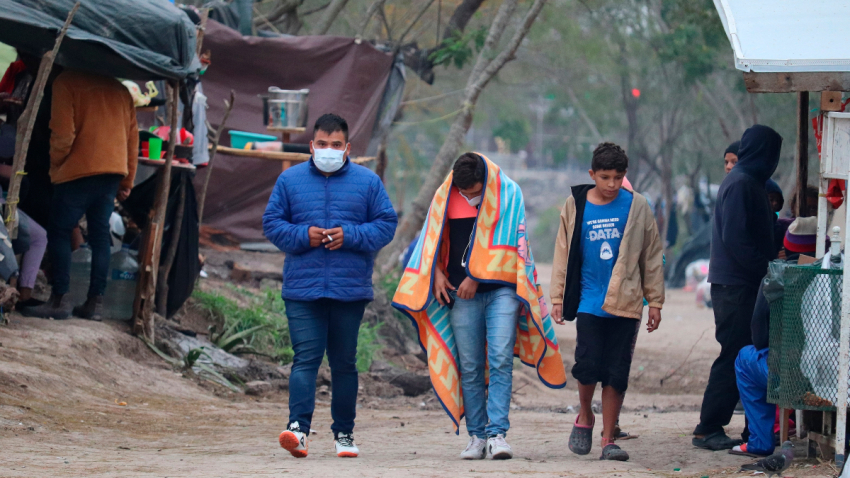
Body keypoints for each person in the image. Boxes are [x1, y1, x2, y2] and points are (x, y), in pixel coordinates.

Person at [391, 152, 565, 461]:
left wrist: (475, 276)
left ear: (485, 181)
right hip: (460, 294)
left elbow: (514, 245)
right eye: (464, 193)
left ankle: (497, 434)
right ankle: (477, 435)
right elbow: (430, 243)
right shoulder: (445, 196)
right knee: (469, 365)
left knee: (499, 358)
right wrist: (438, 275)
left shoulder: (510, 193)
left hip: (502, 290)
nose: (469, 197)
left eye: (474, 192)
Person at [265, 114, 397, 459]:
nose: (328, 150)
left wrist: (350, 235)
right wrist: (302, 235)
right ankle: (298, 430)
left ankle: (344, 434)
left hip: (349, 289)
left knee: (344, 363)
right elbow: (272, 224)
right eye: (322, 144)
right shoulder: (289, 181)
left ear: (347, 148)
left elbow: (386, 224)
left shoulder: (368, 182)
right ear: (311, 146)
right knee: (305, 359)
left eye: (335, 145)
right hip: (302, 289)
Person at [551, 142, 665, 461]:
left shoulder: (638, 205)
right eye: (605, 177)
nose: (612, 184)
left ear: (625, 176)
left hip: (626, 302)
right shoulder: (575, 206)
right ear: (592, 174)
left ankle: (607, 439)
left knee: (617, 372)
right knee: (587, 367)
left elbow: (652, 256)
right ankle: (585, 414)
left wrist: (655, 301)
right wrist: (557, 297)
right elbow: (562, 254)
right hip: (588, 301)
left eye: (618, 177)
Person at [693, 125, 782, 450]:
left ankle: (749, 431)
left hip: (742, 283)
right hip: (736, 286)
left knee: (744, 352)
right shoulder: (742, 183)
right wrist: (766, 266)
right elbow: (737, 238)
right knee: (735, 354)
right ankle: (708, 427)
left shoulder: (750, 182)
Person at [24, 70, 138, 321]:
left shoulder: (66, 82)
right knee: (100, 237)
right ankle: (95, 303)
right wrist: (127, 180)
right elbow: (132, 141)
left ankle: (59, 298)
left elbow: (62, 134)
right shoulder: (121, 90)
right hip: (112, 173)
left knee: (59, 231)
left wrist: (57, 166)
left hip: (78, 171)